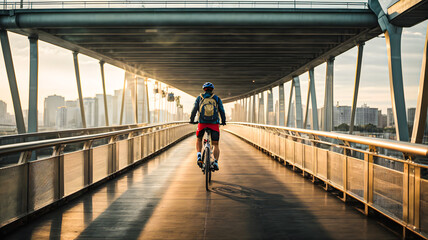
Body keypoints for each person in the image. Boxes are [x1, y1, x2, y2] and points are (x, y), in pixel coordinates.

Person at [190, 82, 226, 171]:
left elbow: (194, 109)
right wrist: (223, 121)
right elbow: (221, 111)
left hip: (202, 123)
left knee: (199, 139)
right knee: (216, 144)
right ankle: (216, 162)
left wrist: (192, 120)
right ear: (212, 90)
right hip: (214, 124)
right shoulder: (216, 98)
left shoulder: (199, 98)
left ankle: (199, 156)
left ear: (204, 89)